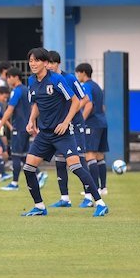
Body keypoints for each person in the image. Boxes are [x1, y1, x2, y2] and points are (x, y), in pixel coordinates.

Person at [22, 48, 107, 217]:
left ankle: (100, 203)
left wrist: (66, 122)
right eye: (31, 60)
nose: (33, 63)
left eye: (36, 60)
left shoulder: (57, 80)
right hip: (44, 133)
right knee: (28, 168)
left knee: (76, 167)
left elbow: (76, 102)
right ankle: (39, 206)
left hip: (63, 133)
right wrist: (31, 121)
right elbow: (36, 104)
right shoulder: (31, 81)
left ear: (45, 63)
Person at [47, 51, 90, 208]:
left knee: (79, 160)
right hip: (60, 127)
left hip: (75, 125)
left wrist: (71, 114)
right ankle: (65, 198)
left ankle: (89, 196)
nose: (49, 66)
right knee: (59, 162)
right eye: (47, 63)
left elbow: (84, 98)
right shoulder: (48, 81)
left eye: (51, 63)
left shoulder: (70, 78)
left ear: (58, 63)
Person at [0, 67, 38, 191]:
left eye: (9, 77)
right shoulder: (26, 90)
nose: (7, 79)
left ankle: (14, 183)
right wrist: (33, 124)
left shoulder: (17, 91)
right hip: (25, 127)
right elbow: (32, 108)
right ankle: (38, 174)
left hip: (18, 127)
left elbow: (9, 110)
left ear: (15, 77)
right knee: (24, 155)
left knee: (15, 155)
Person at [76, 62, 109, 200]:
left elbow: (88, 104)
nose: (77, 75)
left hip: (92, 124)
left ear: (83, 72)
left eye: (78, 73)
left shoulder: (86, 86)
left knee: (89, 155)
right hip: (102, 122)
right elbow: (102, 106)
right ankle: (103, 187)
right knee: (99, 156)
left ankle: (93, 188)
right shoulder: (97, 86)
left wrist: (81, 121)